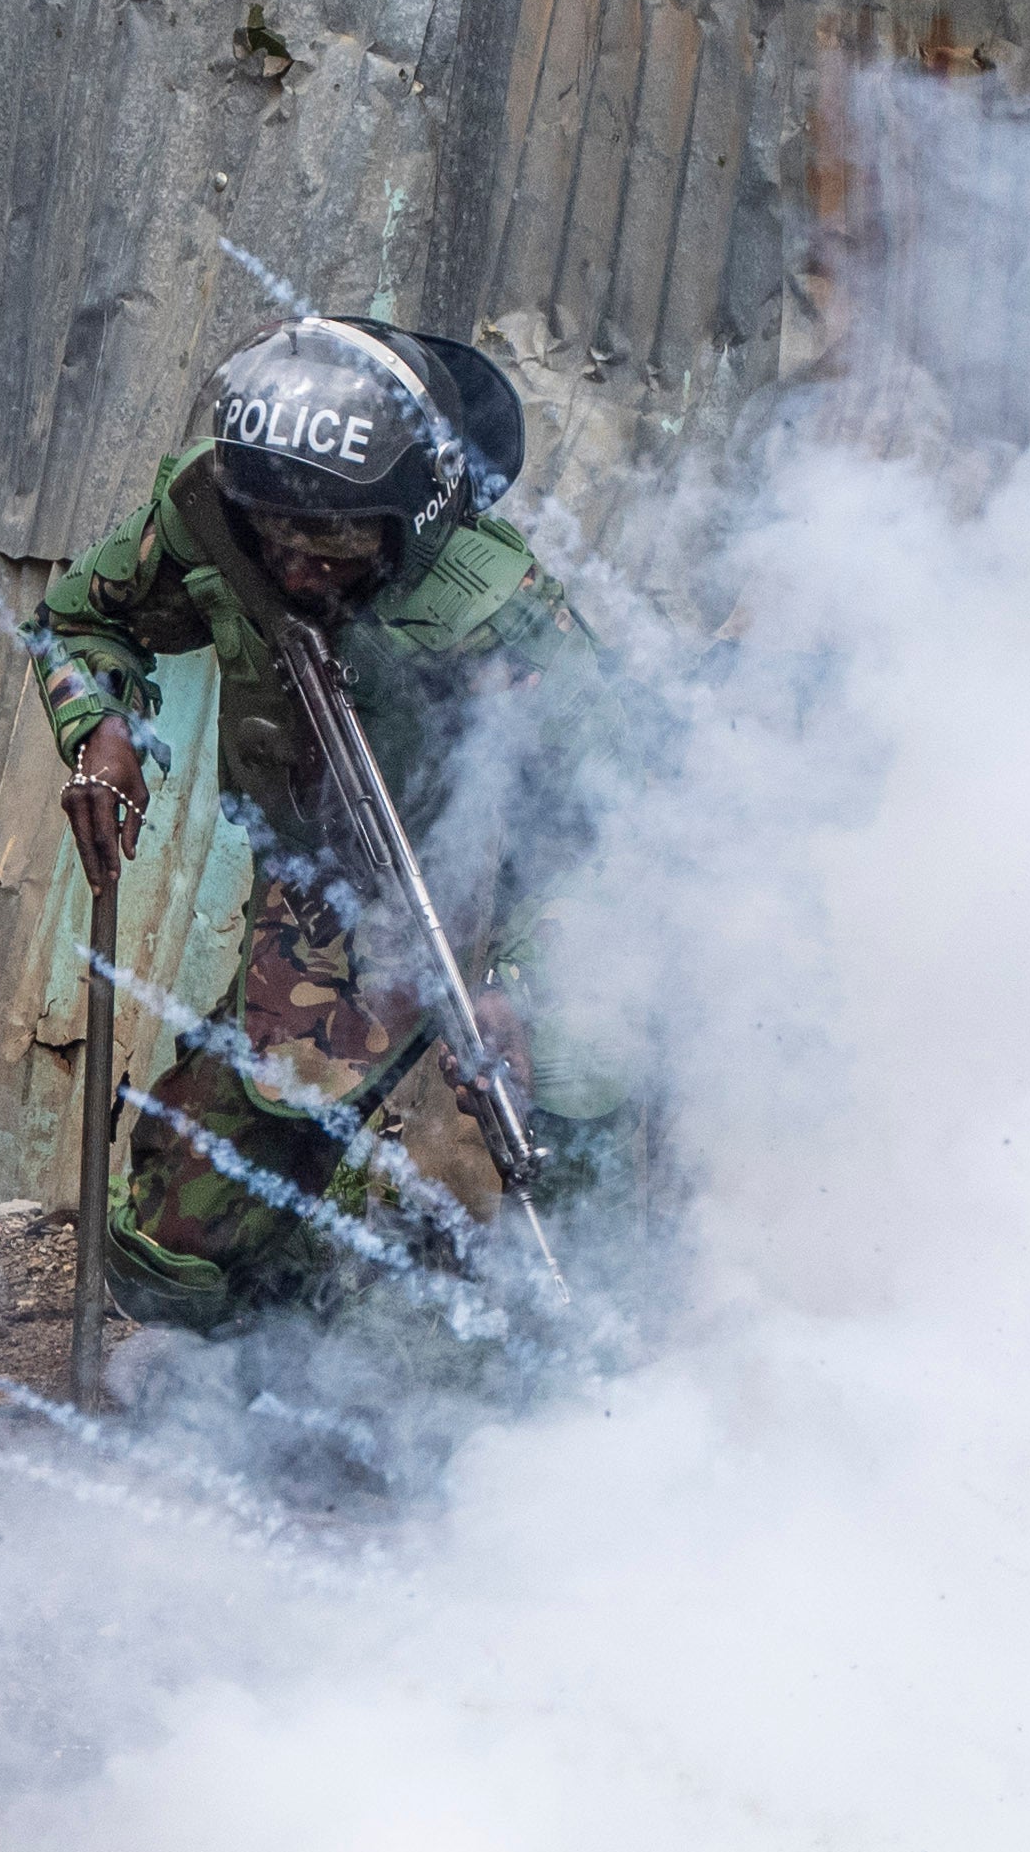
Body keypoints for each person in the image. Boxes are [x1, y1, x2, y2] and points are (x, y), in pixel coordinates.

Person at [37, 314, 608, 1334]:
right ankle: (291, 1331)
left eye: (337, 543)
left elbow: (610, 840)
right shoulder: (218, 513)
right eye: (276, 537)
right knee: (168, 1256)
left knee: (490, 1309)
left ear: (411, 519)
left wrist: (523, 993)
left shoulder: (500, 614)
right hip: (338, 916)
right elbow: (85, 620)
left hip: (522, 929)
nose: (298, 568)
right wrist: (103, 727)